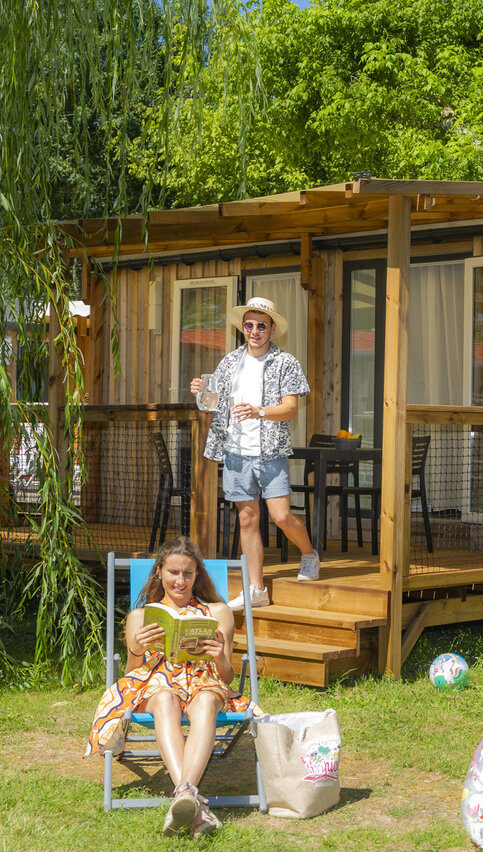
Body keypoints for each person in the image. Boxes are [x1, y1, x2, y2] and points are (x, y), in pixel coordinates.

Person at [84, 537, 253, 837]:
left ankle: (185, 797)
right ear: (159, 571)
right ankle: (191, 800)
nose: (180, 580)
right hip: (157, 684)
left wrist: (219, 655)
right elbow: (130, 676)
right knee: (164, 700)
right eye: (173, 572)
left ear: (197, 574)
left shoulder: (218, 612)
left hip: (205, 681)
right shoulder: (140, 617)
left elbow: (226, 677)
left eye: (188, 573)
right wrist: (136, 649)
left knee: (204, 702)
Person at [190, 295, 321, 610]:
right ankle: (256, 590)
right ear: (242, 328)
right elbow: (212, 404)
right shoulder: (229, 362)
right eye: (249, 324)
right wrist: (200, 392)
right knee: (247, 520)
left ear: (272, 328)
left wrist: (259, 411)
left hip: (270, 451)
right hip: (235, 452)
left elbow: (290, 409)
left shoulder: (286, 362)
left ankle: (309, 555)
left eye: (261, 325)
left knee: (281, 516)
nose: (254, 330)